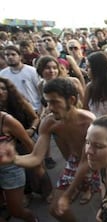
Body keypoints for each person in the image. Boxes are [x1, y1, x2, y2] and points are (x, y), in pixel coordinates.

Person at [4, 78, 99, 221]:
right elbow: (36, 157)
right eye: (47, 102)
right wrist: (14, 159)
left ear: (71, 100)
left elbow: (87, 162)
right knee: (56, 210)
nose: (49, 107)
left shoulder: (89, 122)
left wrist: (68, 194)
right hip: (75, 162)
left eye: (54, 102)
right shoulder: (49, 122)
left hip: (100, 162)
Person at [0, 111, 37, 222]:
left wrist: (38, 168)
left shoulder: (6, 120)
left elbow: (28, 143)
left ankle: (33, 219)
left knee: (16, 211)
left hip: (9, 169)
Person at [0, 45, 42, 114]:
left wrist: (40, 109)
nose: (10, 57)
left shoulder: (32, 71)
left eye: (13, 54)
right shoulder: (2, 74)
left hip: (34, 110)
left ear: (20, 56)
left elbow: (40, 91)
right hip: (14, 112)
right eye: (7, 55)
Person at [83, 51, 107, 117]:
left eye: (89, 67)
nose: (86, 70)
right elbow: (86, 113)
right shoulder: (90, 88)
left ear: (97, 68)